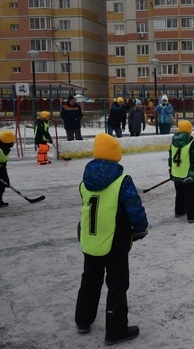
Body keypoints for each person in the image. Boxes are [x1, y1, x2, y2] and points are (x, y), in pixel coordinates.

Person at [75, 133, 148, 345]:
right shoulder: (122, 180)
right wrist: (141, 228)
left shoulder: (85, 180)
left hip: (90, 238)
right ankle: (116, 331)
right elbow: (133, 207)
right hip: (115, 239)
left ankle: (83, 320)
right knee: (117, 284)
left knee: (90, 279)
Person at [169, 120, 194, 223]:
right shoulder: (192, 142)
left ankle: (179, 211)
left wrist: (170, 169)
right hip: (187, 174)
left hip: (176, 172)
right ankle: (192, 216)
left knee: (179, 193)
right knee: (190, 194)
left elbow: (170, 157)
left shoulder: (173, 142)